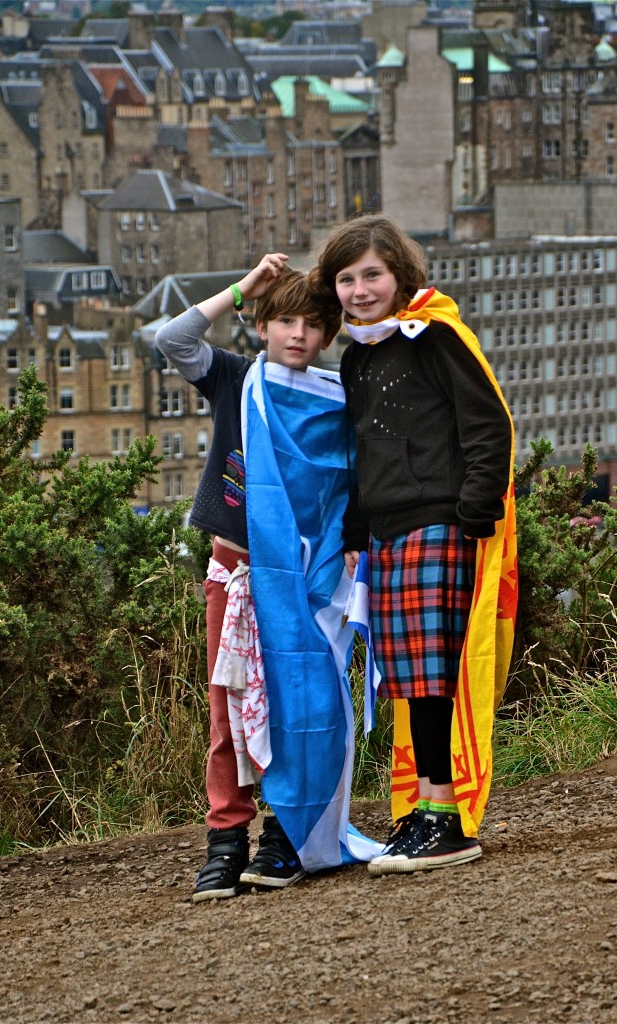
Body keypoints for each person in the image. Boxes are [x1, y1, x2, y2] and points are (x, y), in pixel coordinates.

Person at [155, 254, 379, 902]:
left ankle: (285, 834)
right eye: (283, 320)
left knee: (293, 707)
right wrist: (242, 287)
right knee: (227, 712)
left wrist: (353, 553)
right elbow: (171, 340)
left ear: (327, 333)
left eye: (312, 323)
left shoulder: (335, 399)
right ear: (261, 325)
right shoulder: (234, 380)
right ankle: (226, 841)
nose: (297, 335)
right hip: (234, 571)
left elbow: (351, 486)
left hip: (303, 580)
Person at [310, 215, 518, 875]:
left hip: (441, 521)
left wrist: (475, 510)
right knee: (405, 677)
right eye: (346, 278)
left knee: (433, 675)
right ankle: (424, 815)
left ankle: (447, 818)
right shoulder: (357, 356)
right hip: (386, 531)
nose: (360, 289)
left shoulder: (434, 337)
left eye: (371, 274)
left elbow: (485, 422)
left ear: (400, 275)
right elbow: (360, 451)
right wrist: (354, 531)